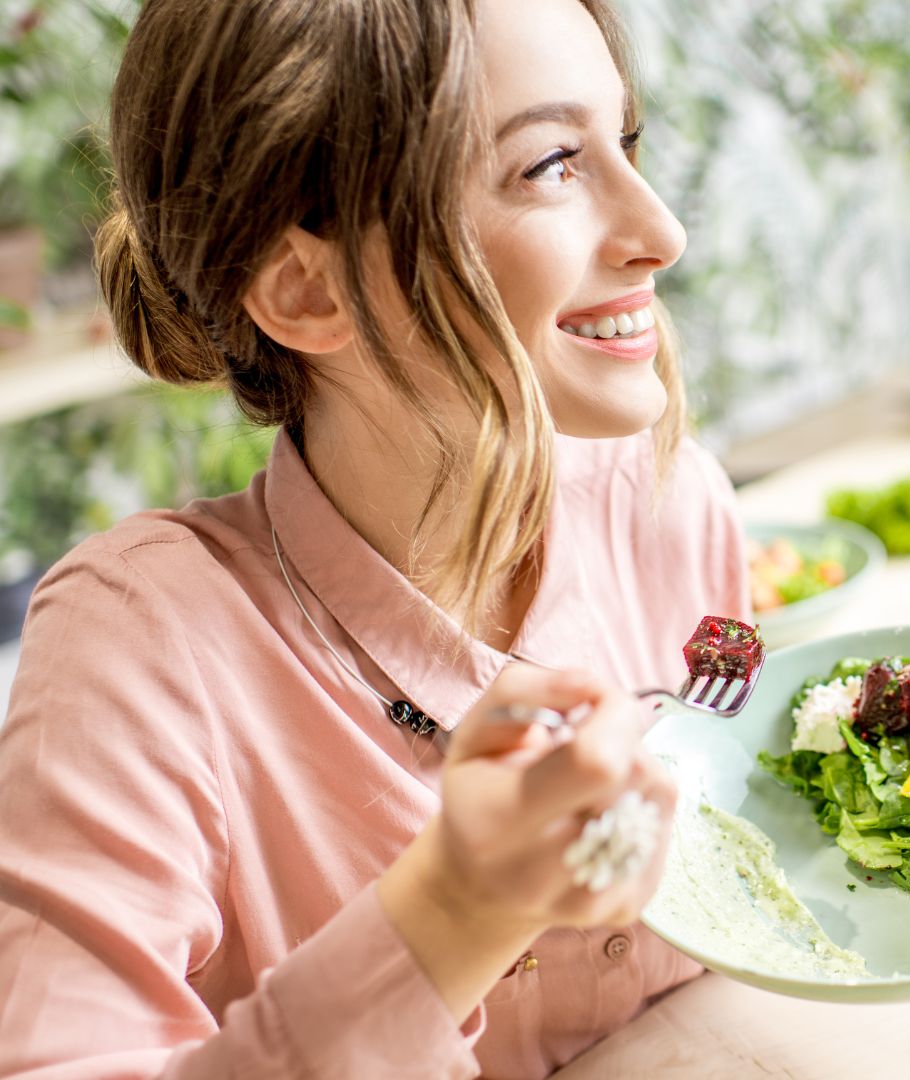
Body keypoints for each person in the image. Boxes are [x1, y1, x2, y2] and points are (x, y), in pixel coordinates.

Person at [0, 0, 751, 1075]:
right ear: (307, 289)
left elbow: (744, 793)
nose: (661, 232)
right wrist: (453, 912)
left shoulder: (677, 506)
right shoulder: (138, 647)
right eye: (549, 166)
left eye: (623, 143)